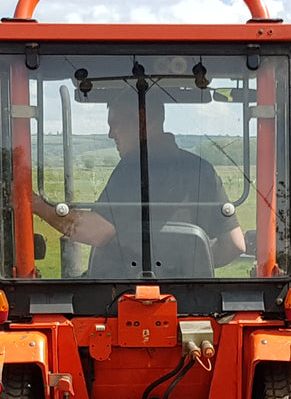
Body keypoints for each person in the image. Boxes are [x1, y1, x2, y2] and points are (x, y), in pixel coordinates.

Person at [32, 90, 245, 276]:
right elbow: (235, 244)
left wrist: (36, 204)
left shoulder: (133, 168)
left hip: (123, 300)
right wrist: (185, 272)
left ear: (141, 120)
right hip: (191, 303)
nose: (110, 134)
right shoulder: (202, 170)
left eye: (115, 124)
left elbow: (96, 231)